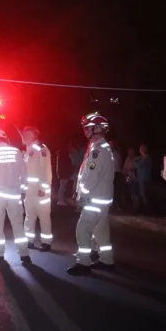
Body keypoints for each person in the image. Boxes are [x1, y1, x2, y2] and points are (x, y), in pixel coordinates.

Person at [67, 112, 115, 276]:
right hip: (101, 199)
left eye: (88, 128)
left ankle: (83, 263)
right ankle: (107, 260)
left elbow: (92, 177)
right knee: (101, 231)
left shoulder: (98, 151)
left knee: (83, 229)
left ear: (98, 129)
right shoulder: (98, 148)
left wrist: (82, 196)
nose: (85, 131)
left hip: (94, 200)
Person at [0, 129, 30, 264]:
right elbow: (24, 174)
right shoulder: (16, 152)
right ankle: (24, 254)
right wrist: (21, 189)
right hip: (14, 195)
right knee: (18, 225)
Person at [22, 127, 53, 251]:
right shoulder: (28, 150)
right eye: (25, 134)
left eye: (28, 134)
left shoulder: (41, 149)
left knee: (44, 217)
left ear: (35, 135)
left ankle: (46, 242)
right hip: (30, 191)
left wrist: (44, 187)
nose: (25, 136)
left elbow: (46, 170)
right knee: (29, 216)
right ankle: (29, 240)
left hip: (40, 191)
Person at [136, 143, 153, 214]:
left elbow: (137, 165)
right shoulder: (144, 158)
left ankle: (148, 210)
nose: (139, 150)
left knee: (144, 194)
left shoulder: (146, 158)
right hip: (143, 178)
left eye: (140, 148)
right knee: (143, 194)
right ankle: (145, 209)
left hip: (144, 179)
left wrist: (136, 160)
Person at [109, 141, 124, 211]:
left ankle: (118, 206)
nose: (111, 146)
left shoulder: (116, 153)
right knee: (111, 190)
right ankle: (112, 205)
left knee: (117, 190)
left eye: (112, 144)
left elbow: (120, 162)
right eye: (110, 144)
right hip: (110, 173)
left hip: (117, 173)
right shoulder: (106, 153)